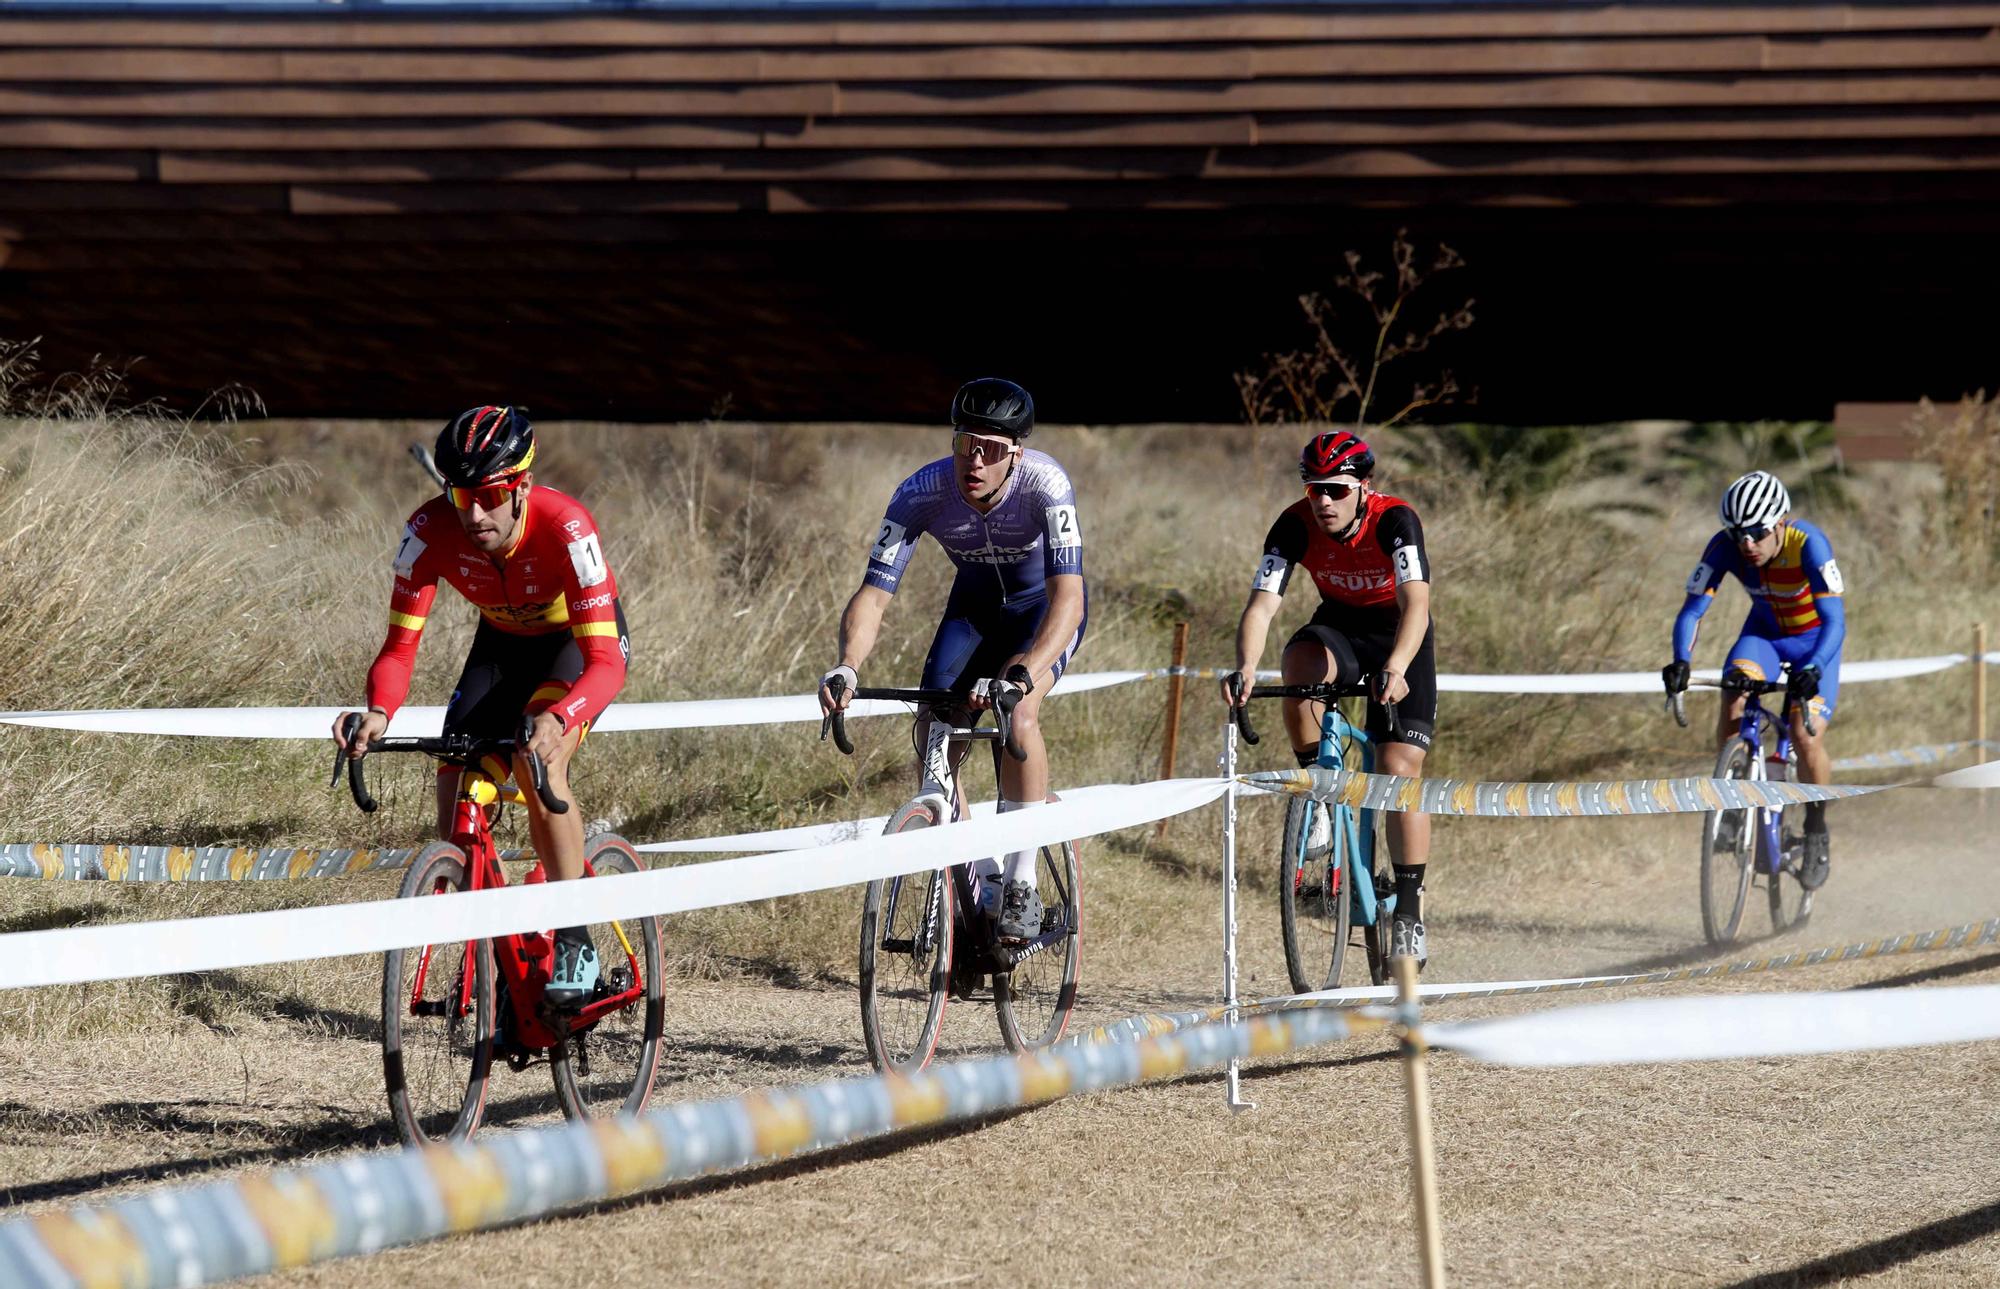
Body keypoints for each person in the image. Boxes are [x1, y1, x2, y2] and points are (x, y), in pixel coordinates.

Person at [335, 405, 631, 1008]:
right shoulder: (428, 531)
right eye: (460, 495)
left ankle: (574, 935)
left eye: (491, 495)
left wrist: (560, 719)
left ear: (521, 487)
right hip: (500, 648)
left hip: (573, 648)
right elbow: (398, 649)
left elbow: (608, 663)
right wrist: (378, 713)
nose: (473, 513)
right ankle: (495, 963)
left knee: (535, 761)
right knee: (455, 792)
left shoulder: (567, 527)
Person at [818, 378, 1086, 943]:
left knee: (1021, 712)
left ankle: (1019, 881)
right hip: (975, 610)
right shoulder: (920, 492)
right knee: (934, 727)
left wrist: (1023, 672)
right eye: (967, 444)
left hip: (1042, 612)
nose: (976, 460)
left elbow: (1070, 598)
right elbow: (873, 594)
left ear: (1016, 453)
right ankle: (979, 874)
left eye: (991, 450)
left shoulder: (1045, 483)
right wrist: (847, 664)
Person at [1221, 430, 1437, 965]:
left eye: (1336, 491)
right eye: (1314, 488)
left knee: (1397, 768)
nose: (1323, 502)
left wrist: (1397, 666)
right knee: (1298, 664)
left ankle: (1409, 908)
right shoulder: (1293, 525)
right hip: (1340, 626)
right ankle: (1318, 792)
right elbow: (1262, 606)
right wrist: (1246, 664)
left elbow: (1416, 605)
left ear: (1364, 487)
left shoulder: (1396, 520)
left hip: (1399, 634)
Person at [1663, 469, 1844, 889]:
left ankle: (1816, 827)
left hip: (1815, 642)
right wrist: (1680, 660)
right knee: (1734, 696)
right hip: (1762, 637)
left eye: (1758, 533)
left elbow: (1836, 621)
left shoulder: (1810, 544)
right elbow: (1692, 610)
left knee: (1804, 734)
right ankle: (1731, 804)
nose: (1747, 544)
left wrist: (1814, 667)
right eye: (1738, 533)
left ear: (1781, 522)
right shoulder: (1725, 547)